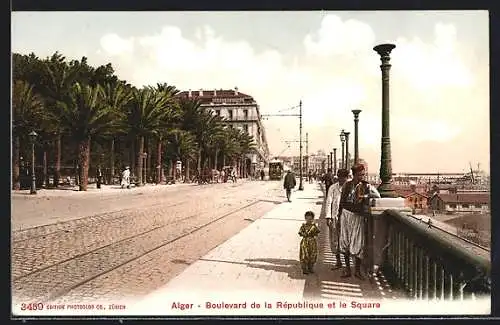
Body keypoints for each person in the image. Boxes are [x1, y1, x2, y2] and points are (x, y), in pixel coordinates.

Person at [338, 164, 380, 279]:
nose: (362, 177)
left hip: (358, 216)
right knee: (344, 242)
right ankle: (347, 269)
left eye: (363, 174)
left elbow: (377, 195)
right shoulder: (347, 185)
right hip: (346, 214)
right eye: (359, 175)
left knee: (358, 243)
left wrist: (366, 196)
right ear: (354, 174)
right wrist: (339, 215)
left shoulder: (366, 186)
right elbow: (342, 201)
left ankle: (357, 271)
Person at [324, 168, 350, 270]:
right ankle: (338, 261)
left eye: (343, 178)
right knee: (335, 240)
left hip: (347, 218)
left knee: (346, 240)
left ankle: (347, 265)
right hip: (335, 217)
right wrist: (328, 217)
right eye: (340, 178)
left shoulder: (350, 187)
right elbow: (329, 202)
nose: (341, 180)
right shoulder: (333, 188)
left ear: (347, 178)